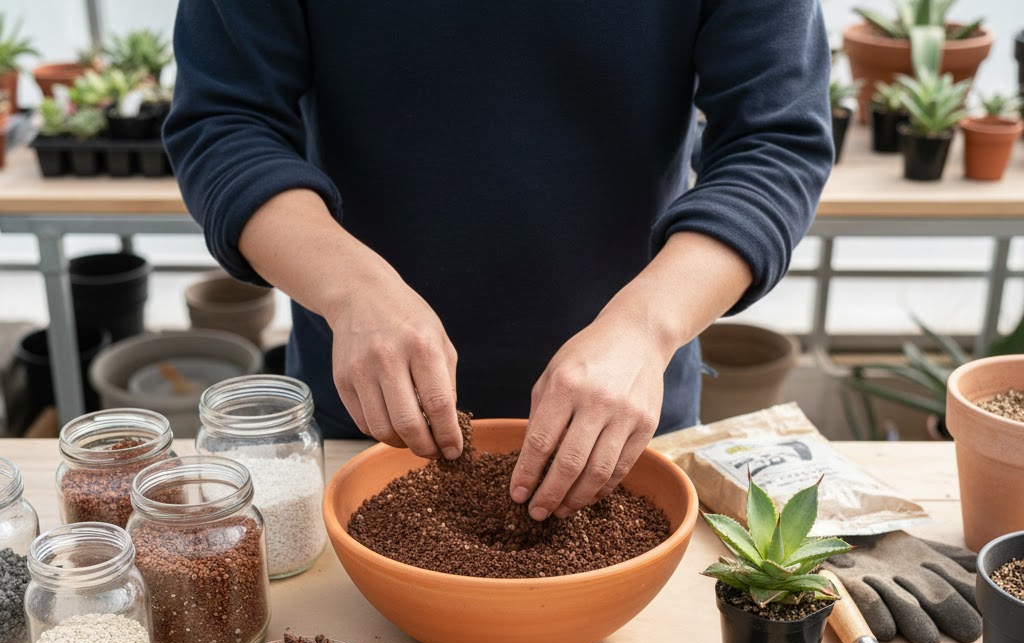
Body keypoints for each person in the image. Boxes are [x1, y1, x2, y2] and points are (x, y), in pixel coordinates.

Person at [164, 1, 833, 522]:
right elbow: (225, 121)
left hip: (626, 408)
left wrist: (646, 328)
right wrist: (349, 289)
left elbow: (774, 140)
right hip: (369, 410)